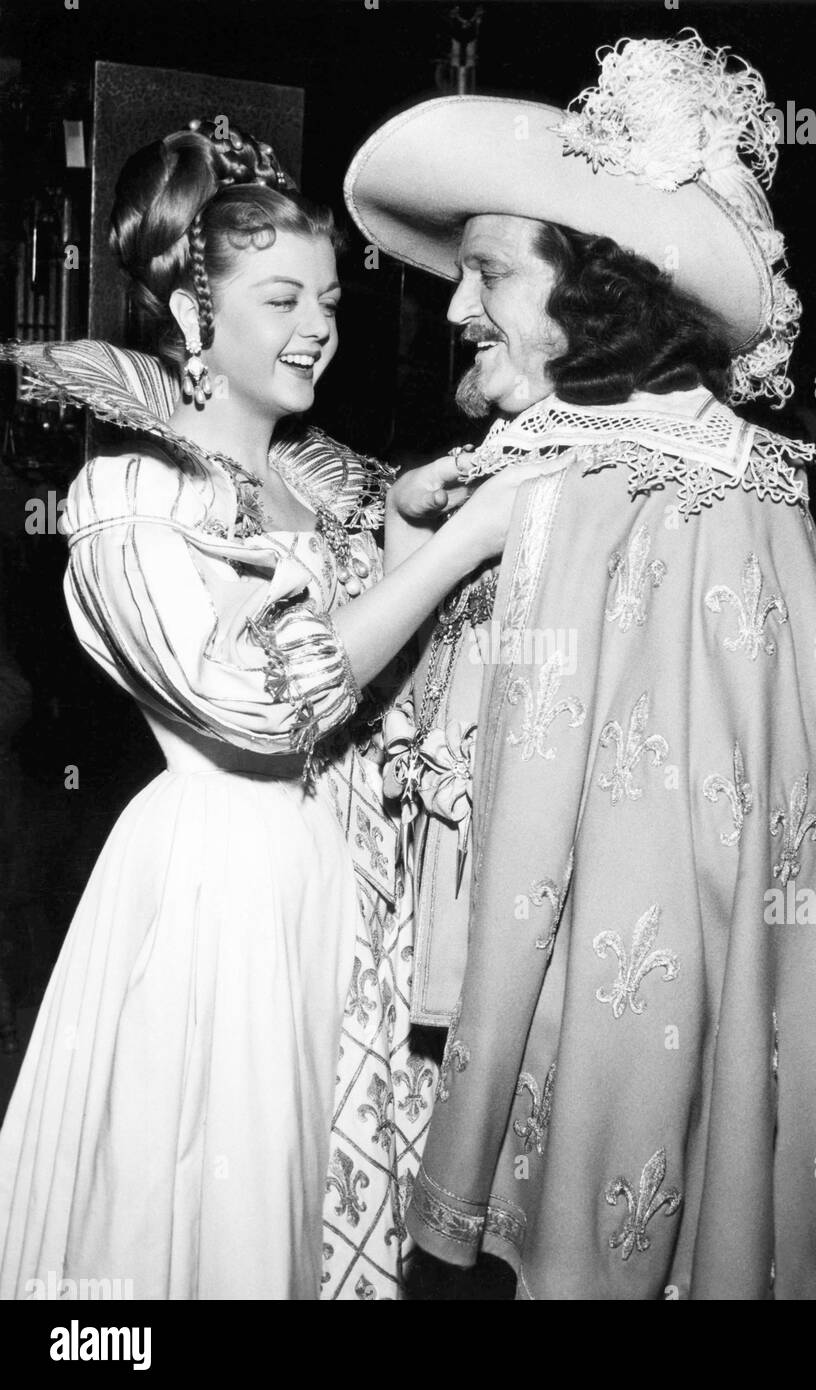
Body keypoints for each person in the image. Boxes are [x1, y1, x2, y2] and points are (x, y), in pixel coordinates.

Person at [346, 29, 816, 1299]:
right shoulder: (760, 482)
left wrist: (460, 1157)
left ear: (590, 286)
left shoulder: (570, 484)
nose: (451, 303)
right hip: (723, 1034)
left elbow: (531, 846)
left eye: (487, 270)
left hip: (565, 1041)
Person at [0, 120, 550, 1300]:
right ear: (198, 319)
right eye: (282, 299)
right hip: (228, 897)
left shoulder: (315, 480)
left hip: (345, 892)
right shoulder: (131, 491)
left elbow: (380, 678)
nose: (319, 327)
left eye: (333, 302)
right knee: (219, 1216)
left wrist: (403, 527)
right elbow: (261, 703)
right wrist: (451, 549)